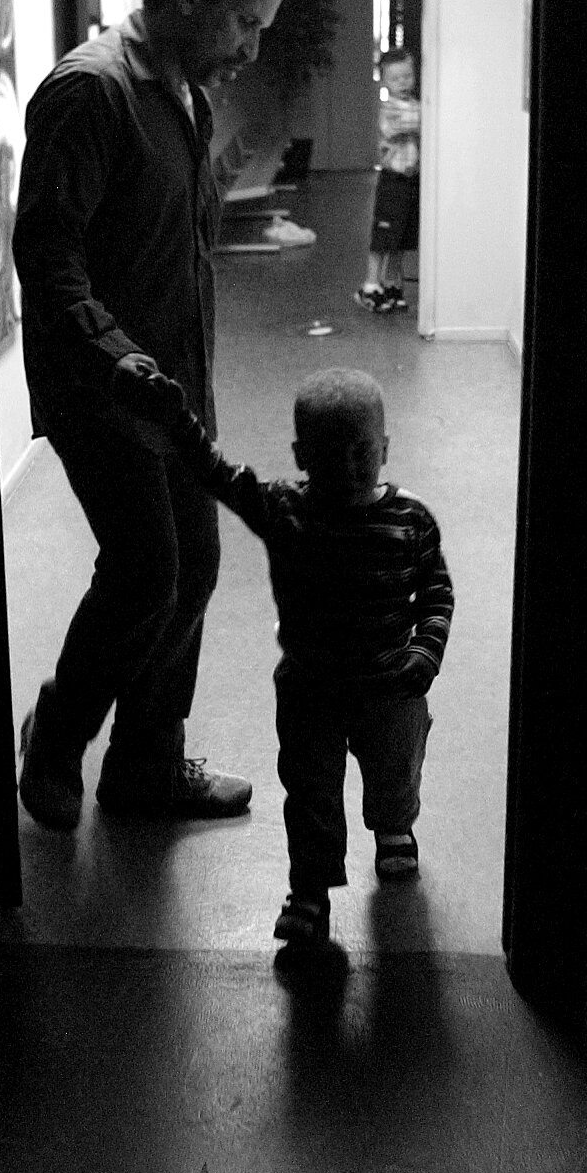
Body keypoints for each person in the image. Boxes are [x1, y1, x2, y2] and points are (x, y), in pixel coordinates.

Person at [10, 0, 292, 829]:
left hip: (173, 386)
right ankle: (53, 742)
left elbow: (170, 241)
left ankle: (145, 768)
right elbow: (48, 262)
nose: (251, 47)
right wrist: (118, 357)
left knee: (194, 568)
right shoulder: (89, 92)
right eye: (244, 24)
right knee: (144, 572)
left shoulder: (185, 91)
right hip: (102, 391)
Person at [137, 367, 454, 945]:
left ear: (385, 448)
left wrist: (426, 652)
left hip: (392, 689)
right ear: (301, 455)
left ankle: (394, 830)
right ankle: (309, 889)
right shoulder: (286, 510)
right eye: (331, 454)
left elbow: (436, 593)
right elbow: (217, 474)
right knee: (309, 795)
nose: (349, 466)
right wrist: (177, 420)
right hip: (311, 691)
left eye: (363, 451)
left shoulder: (411, 521)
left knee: (394, 774)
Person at [356, 49, 421, 314]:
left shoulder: (417, 104)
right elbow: (408, 126)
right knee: (384, 236)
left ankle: (394, 285)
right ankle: (371, 286)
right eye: (395, 79)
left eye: (407, 76)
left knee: (401, 238)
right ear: (384, 81)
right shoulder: (389, 109)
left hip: (411, 181)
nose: (403, 83)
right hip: (392, 181)